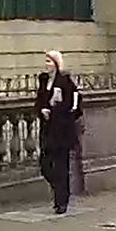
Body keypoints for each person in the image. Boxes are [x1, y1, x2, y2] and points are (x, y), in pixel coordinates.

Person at [35, 50, 82, 214]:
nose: (46, 64)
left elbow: (74, 108)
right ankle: (59, 189)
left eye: (49, 61)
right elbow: (39, 101)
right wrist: (42, 110)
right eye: (46, 61)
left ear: (56, 63)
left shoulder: (66, 82)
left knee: (61, 167)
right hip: (47, 130)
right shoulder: (43, 80)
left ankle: (61, 201)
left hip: (62, 131)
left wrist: (55, 111)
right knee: (45, 165)